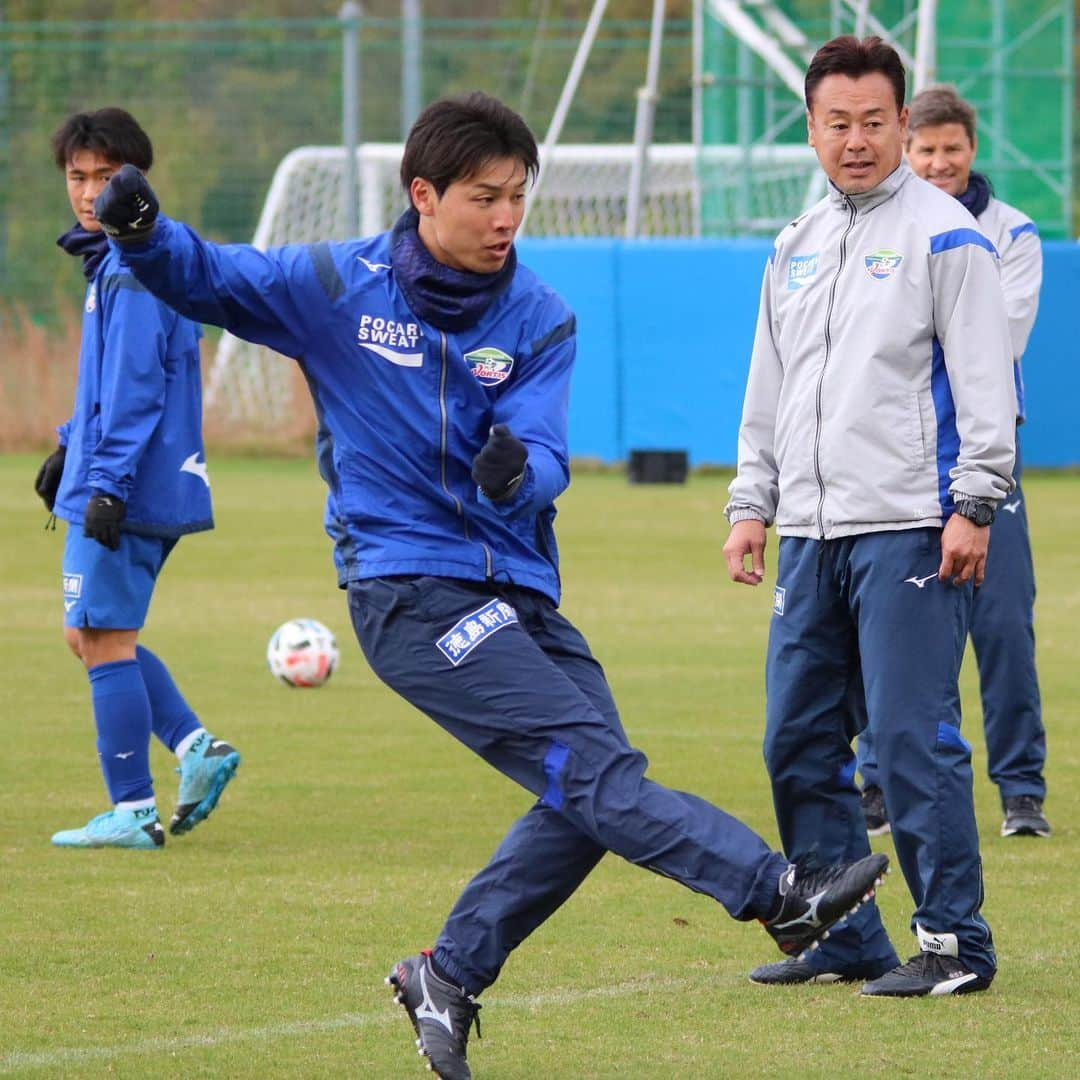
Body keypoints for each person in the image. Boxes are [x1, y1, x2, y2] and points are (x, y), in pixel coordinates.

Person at [94, 91, 887, 1078]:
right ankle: (778, 890)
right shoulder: (336, 282)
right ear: (424, 194)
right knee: (597, 778)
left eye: (517, 195)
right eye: (484, 196)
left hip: (518, 592)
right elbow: (208, 276)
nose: (506, 216)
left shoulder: (539, 315)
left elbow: (547, 448)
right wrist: (143, 231)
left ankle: (448, 974)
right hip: (407, 597)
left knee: (589, 792)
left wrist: (523, 474)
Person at [722, 38, 1016, 997]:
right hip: (809, 532)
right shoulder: (794, 245)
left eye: (874, 122)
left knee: (905, 734)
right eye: (837, 123)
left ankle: (953, 943)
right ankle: (842, 929)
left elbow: (984, 383)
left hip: (912, 524)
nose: (856, 140)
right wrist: (751, 504)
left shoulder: (946, 235)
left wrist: (975, 503)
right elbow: (769, 389)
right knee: (796, 734)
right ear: (810, 127)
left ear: (901, 124)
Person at [37, 108, 240, 851]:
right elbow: (108, 387)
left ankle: (131, 808)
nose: (89, 192)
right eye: (77, 177)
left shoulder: (129, 269)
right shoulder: (123, 258)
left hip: (129, 484)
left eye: (104, 177)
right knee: (88, 633)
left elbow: (135, 390)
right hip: (129, 474)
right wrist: (70, 445)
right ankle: (197, 751)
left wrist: (107, 484)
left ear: (136, 179)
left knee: (102, 635)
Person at [856, 84, 1049, 840]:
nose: (939, 162)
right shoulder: (879, 225)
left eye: (952, 149)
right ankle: (880, 780)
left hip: (981, 450)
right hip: (895, 451)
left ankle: (1021, 789)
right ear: (909, 147)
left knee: (1002, 620)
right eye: (926, 149)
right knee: (891, 619)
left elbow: (999, 342)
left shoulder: (1013, 231)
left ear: (972, 149)